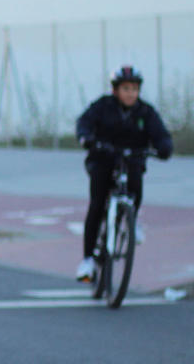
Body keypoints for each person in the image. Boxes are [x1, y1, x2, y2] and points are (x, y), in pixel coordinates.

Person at [74, 65, 172, 281]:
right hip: (103, 160)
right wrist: (86, 137)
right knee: (97, 204)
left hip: (132, 160)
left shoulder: (145, 112)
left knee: (135, 186)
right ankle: (88, 260)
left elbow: (161, 134)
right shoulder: (103, 106)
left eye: (134, 89)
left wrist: (165, 146)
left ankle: (131, 219)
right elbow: (84, 123)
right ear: (116, 90)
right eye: (126, 88)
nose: (130, 93)